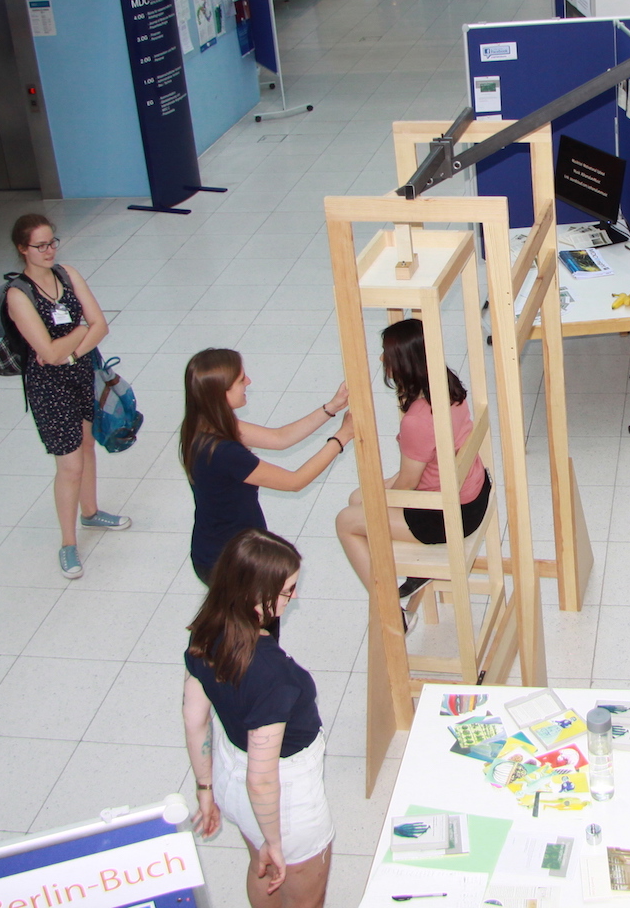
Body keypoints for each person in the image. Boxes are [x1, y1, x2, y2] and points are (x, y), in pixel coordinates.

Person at [183, 529, 334, 908]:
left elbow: (195, 720)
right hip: (283, 801)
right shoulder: (272, 675)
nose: (293, 597)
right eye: (287, 591)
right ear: (254, 594)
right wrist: (277, 842)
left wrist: (205, 790)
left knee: (260, 867)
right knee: (298, 890)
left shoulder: (206, 632)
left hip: (228, 776)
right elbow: (263, 779)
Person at [5, 213, 130, 579]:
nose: (49, 250)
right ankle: (67, 543)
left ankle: (90, 512)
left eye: (52, 242)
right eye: (40, 245)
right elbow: (49, 352)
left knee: (88, 445)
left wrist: (72, 347)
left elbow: (100, 325)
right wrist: (80, 332)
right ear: (22, 249)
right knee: (70, 465)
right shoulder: (18, 295)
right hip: (49, 388)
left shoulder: (68, 274)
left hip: (81, 373)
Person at [334, 318, 491, 602]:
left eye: (387, 353)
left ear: (404, 362)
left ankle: (389, 607)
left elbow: (407, 483)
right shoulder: (448, 384)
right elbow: (419, 470)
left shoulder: (418, 420)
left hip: (449, 515)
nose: (382, 358)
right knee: (358, 498)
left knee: (346, 520)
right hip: (474, 491)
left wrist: (378, 500)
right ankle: (414, 566)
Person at [181, 348, 354, 585]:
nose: (249, 382)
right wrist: (341, 438)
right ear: (221, 393)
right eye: (241, 380)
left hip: (222, 547)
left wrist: (331, 407)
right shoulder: (223, 451)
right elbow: (295, 482)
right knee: (261, 618)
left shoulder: (204, 424)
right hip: (230, 561)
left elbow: (279, 438)